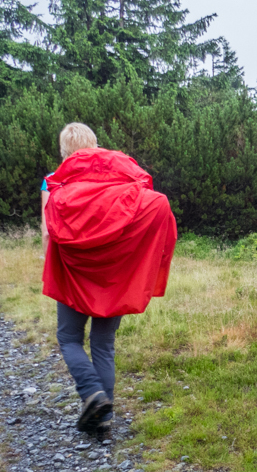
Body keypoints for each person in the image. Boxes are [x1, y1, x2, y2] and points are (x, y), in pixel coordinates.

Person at [40, 123, 178, 434]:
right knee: (103, 343)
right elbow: (154, 205)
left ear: (64, 152)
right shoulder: (125, 176)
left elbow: (51, 233)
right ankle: (105, 414)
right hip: (115, 276)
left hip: (74, 274)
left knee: (69, 338)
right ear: (95, 145)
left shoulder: (56, 186)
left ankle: (92, 395)